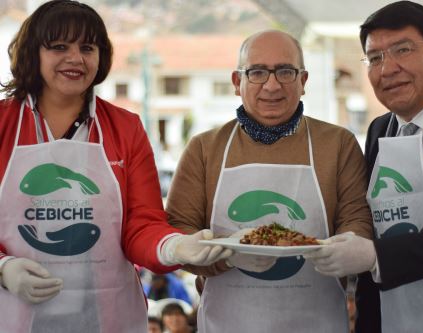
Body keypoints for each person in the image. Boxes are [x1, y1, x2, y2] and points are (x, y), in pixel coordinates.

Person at [0, 1, 230, 332]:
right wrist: (4, 268)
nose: (76, 58)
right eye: (59, 46)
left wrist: (175, 246)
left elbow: (141, 224)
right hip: (12, 315)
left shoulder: (125, 128)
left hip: (105, 316)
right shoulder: (4, 124)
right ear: (32, 53)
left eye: (87, 47)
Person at [305, 2, 423, 332]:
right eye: (375, 58)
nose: (387, 69)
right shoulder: (380, 129)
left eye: (403, 50)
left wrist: (375, 256)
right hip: (397, 315)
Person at [166, 29, 373, 332]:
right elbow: (178, 233)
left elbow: (357, 219)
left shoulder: (338, 143)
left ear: (303, 81)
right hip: (229, 323)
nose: (272, 85)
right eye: (258, 72)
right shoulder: (204, 148)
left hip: (317, 322)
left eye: (285, 72)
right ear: (238, 83)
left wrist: (347, 248)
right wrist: (230, 257)